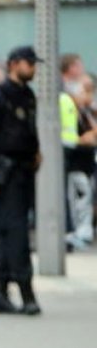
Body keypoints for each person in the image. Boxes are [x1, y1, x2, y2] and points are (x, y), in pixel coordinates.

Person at [0, 46, 42, 316]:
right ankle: (26, 293)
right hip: (5, 173)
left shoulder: (27, 95)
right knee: (16, 234)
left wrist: (36, 153)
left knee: (8, 233)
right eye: (30, 63)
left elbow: (28, 129)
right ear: (14, 64)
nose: (34, 68)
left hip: (24, 171)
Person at [61, 74, 96, 251]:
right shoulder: (68, 104)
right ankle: (74, 234)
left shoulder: (85, 111)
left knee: (84, 199)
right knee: (77, 199)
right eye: (86, 91)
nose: (89, 96)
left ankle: (82, 233)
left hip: (84, 162)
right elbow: (69, 137)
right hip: (75, 161)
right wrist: (85, 139)